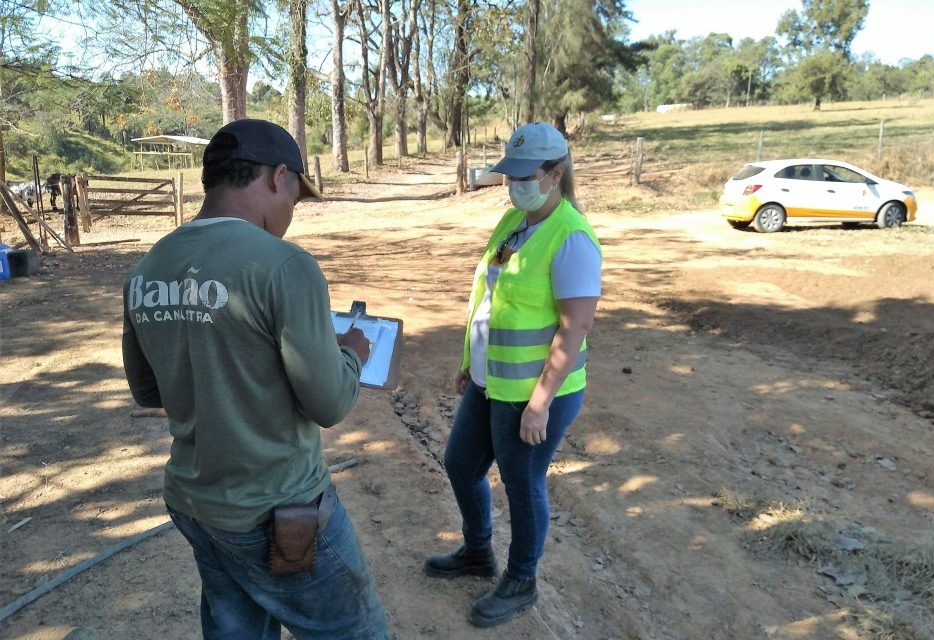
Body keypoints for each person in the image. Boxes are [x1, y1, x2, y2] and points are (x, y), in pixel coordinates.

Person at [122, 119, 388, 639]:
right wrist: (350, 354)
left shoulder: (147, 269)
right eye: (296, 195)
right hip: (278, 510)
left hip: (197, 505)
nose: (292, 211)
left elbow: (148, 390)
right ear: (277, 177)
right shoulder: (284, 267)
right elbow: (330, 403)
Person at [424, 122, 602, 627]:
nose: (515, 184)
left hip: (533, 395)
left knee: (522, 485)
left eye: (526, 175)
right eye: (510, 175)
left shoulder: (572, 239)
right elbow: (491, 297)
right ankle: (479, 551)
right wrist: (469, 362)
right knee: (460, 464)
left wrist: (540, 402)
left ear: (556, 173)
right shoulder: (512, 222)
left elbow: (574, 330)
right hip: (491, 383)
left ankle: (522, 581)